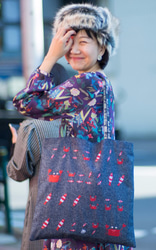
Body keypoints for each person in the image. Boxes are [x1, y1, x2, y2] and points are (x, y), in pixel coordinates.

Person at [12, 3, 131, 250]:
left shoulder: (87, 82)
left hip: (78, 198)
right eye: (68, 42)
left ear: (102, 48)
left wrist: (50, 56)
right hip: (92, 195)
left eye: (84, 42)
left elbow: (24, 103)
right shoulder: (99, 84)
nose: (73, 49)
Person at [7, 63, 69, 250]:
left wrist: (17, 143)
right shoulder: (85, 122)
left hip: (43, 217)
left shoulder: (33, 127)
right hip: (79, 215)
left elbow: (17, 172)